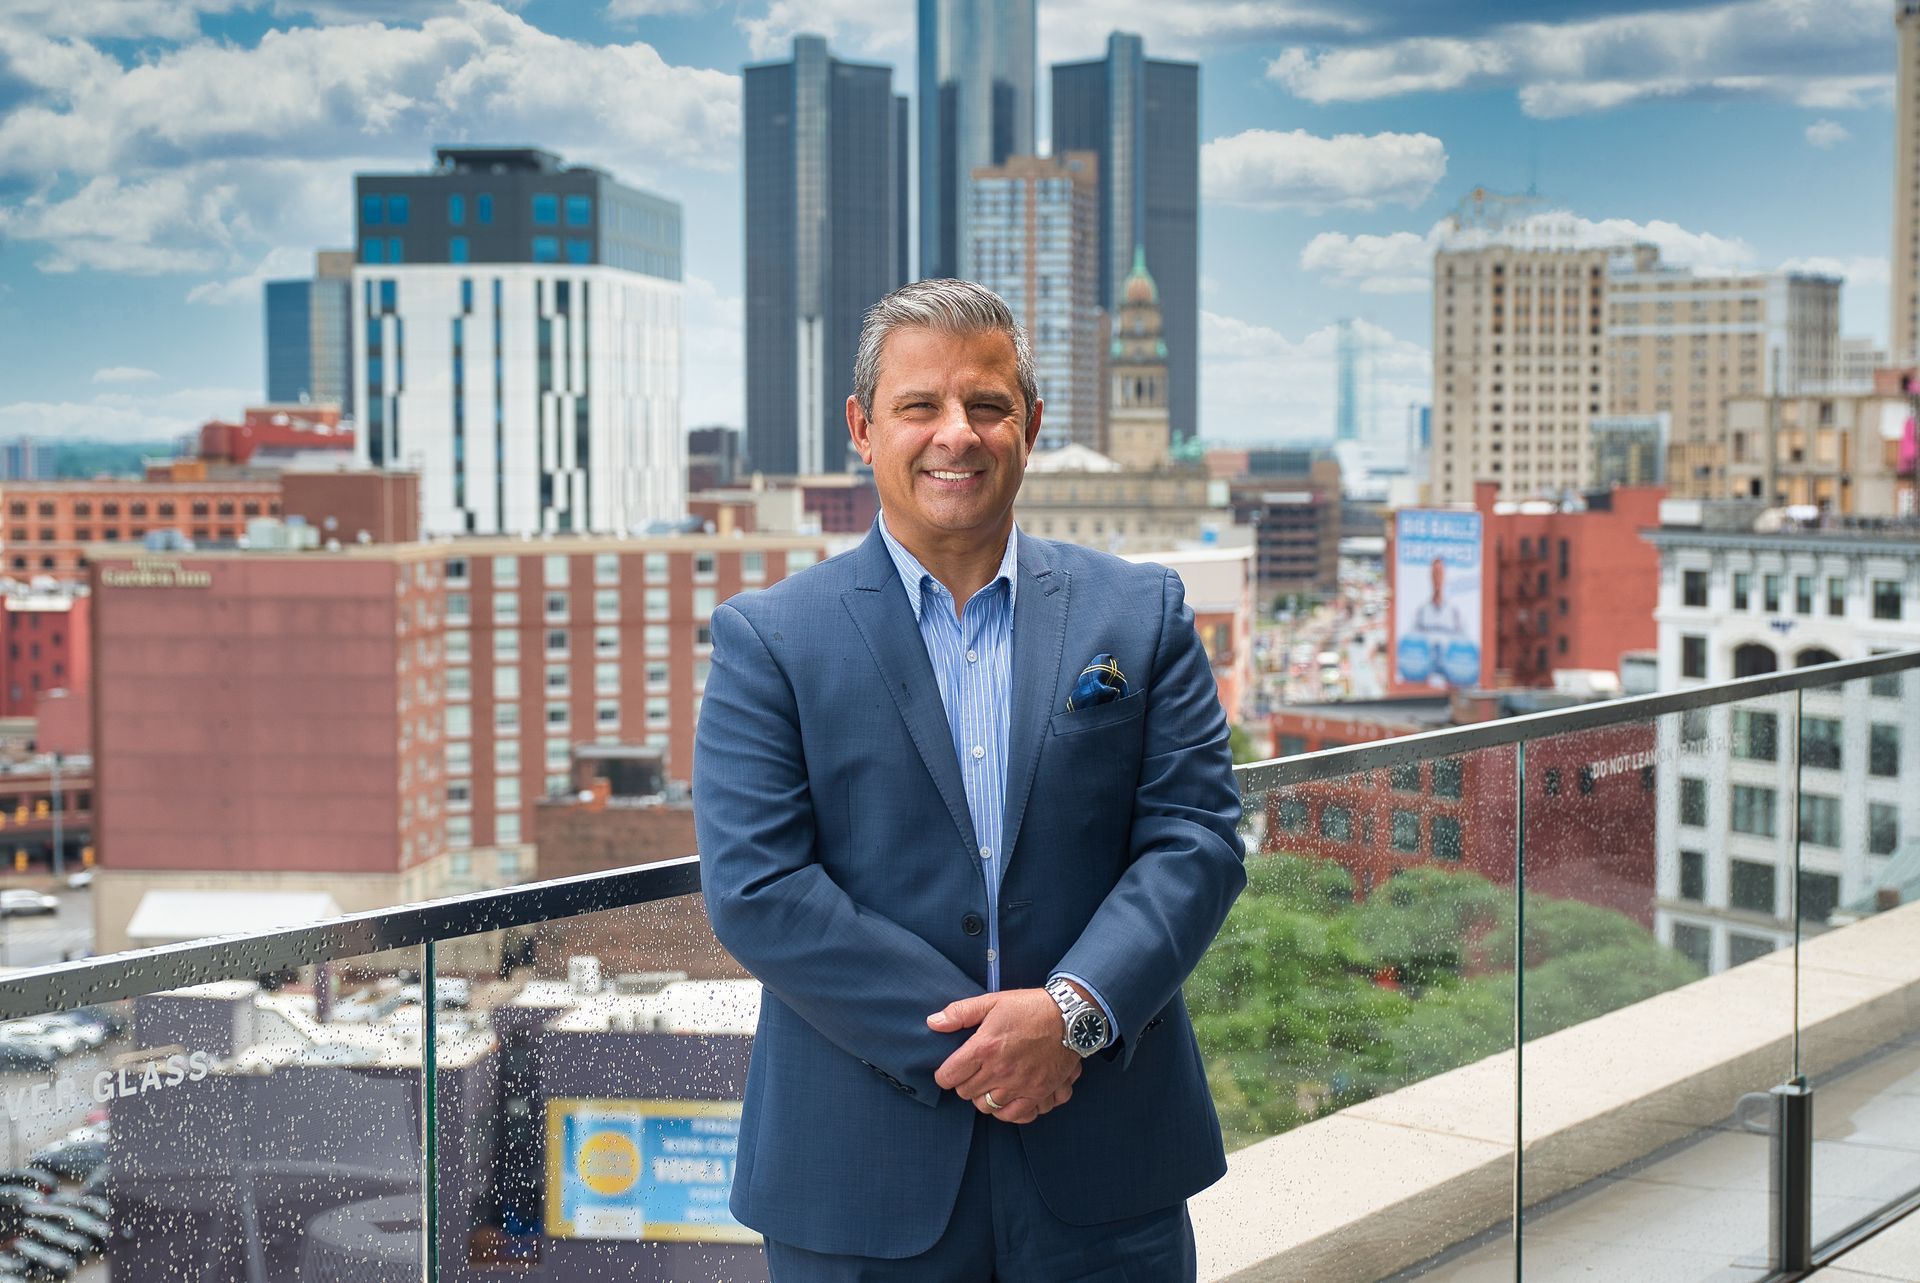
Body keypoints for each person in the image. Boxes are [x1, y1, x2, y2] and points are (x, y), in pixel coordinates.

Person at [693, 278, 1246, 1281]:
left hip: (1106, 1165)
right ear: (863, 429)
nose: (959, 433)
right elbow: (757, 889)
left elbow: (1197, 838)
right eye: (922, 407)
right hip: (857, 1176)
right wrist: (994, 1043)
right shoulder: (768, 639)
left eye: (987, 405)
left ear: (1029, 425)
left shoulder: (1140, 612)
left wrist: (1071, 1013)